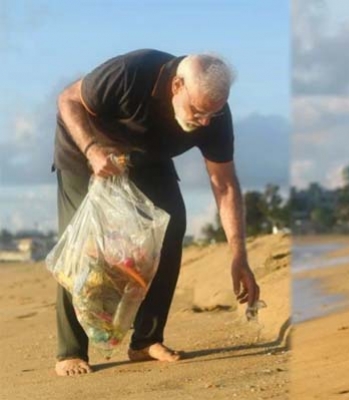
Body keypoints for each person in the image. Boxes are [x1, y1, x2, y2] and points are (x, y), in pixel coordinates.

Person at [52, 49, 260, 376]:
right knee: (81, 245)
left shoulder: (214, 115)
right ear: (177, 85)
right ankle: (71, 350)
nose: (203, 122)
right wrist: (93, 151)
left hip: (146, 157)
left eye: (211, 115)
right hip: (84, 150)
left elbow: (225, 184)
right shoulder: (130, 72)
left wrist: (239, 256)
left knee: (172, 223)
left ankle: (146, 340)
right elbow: (67, 100)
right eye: (198, 111)